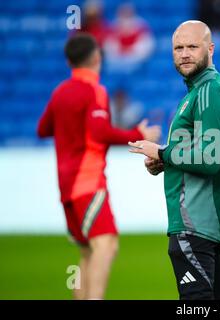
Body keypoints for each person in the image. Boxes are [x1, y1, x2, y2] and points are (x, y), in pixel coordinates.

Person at [37, 34, 160, 300]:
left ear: (69, 61)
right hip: (87, 181)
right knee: (106, 245)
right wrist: (138, 133)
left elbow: (43, 128)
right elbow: (100, 130)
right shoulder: (95, 90)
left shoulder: (60, 92)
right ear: (96, 57)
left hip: (66, 186)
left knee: (88, 252)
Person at [128, 21, 220, 300]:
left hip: (194, 223)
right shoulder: (197, 92)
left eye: (192, 46)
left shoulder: (208, 91)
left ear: (211, 49)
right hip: (202, 225)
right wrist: (165, 160)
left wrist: (162, 152)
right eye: (178, 48)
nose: (185, 53)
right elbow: (208, 151)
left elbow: (211, 159)